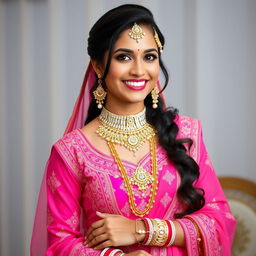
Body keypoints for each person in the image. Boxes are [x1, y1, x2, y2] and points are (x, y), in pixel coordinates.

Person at [31, 4, 236, 256]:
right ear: (97, 66)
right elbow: (59, 243)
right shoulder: (71, 152)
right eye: (124, 57)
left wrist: (143, 229)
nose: (139, 70)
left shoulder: (186, 134)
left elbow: (220, 221)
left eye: (149, 56)